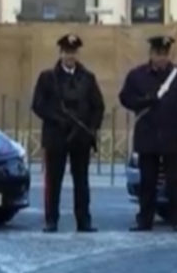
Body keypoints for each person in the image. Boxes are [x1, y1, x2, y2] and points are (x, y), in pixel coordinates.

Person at [118, 35, 177, 232]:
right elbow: (125, 98)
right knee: (148, 182)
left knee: (176, 182)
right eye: (157, 54)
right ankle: (144, 220)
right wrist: (144, 101)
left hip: (174, 137)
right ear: (151, 54)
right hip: (148, 136)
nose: (161, 58)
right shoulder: (137, 75)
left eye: (164, 54)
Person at [31, 33, 105, 233]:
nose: (69, 56)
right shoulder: (48, 78)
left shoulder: (88, 78)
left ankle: (83, 221)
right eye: (66, 52)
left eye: (73, 52)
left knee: (81, 181)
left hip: (80, 138)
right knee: (53, 181)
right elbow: (38, 105)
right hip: (56, 137)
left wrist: (91, 129)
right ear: (61, 53)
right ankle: (51, 220)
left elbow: (98, 106)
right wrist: (57, 120)